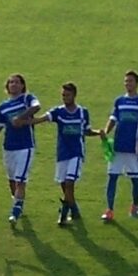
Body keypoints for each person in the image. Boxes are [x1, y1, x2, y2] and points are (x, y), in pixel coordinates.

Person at [16, 83, 103, 226]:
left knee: (69, 183)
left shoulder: (82, 112)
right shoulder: (58, 112)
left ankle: (63, 212)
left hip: (76, 153)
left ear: (74, 95)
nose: (64, 98)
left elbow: (86, 131)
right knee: (64, 184)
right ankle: (74, 209)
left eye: (67, 95)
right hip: (63, 154)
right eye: (63, 95)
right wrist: (24, 122)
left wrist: (98, 132)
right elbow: (41, 119)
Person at [0, 74, 40, 225]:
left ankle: (15, 211)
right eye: (11, 82)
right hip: (9, 148)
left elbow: (37, 107)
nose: (14, 85)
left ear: (23, 85)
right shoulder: (3, 107)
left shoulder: (27, 99)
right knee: (12, 181)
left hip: (25, 146)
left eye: (17, 82)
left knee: (20, 180)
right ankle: (18, 201)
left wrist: (21, 117)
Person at [101, 70, 138, 222]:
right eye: (126, 81)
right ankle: (109, 209)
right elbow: (113, 119)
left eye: (130, 81)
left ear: (137, 83)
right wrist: (105, 131)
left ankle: (135, 205)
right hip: (117, 146)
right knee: (112, 177)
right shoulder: (119, 101)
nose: (127, 84)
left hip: (133, 147)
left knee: (135, 178)